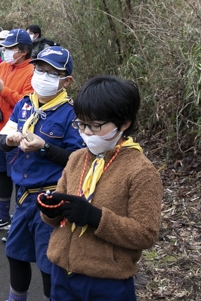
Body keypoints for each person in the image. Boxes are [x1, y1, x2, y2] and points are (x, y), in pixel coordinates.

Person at [37, 75, 163, 300]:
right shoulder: (76, 159)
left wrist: (95, 217)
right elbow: (59, 215)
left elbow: (146, 233)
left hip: (107, 281)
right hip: (62, 272)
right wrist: (51, 211)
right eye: (81, 124)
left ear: (124, 123)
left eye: (95, 126)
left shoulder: (140, 171)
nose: (86, 133)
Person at [0, 46, 83, 301]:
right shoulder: (25, 104)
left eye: (51, 73)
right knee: (15, 254)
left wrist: (45, 147)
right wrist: (10, 141)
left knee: (50, 262)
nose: (42, 76)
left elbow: (78, 159)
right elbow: (3, 140)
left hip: (51, 199)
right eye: (39, 70)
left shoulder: (72, 113)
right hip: (23, 198)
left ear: (66, 80)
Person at [0, 29, 34, 232]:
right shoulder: (2, 66)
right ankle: (3, 217)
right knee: (3, 175)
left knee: (18, 178)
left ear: (23, 51)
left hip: (16, 136)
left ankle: (20, 223)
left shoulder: (32, 72)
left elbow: (28, 103)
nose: (7, 52)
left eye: (11, 48)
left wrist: (3, 90)